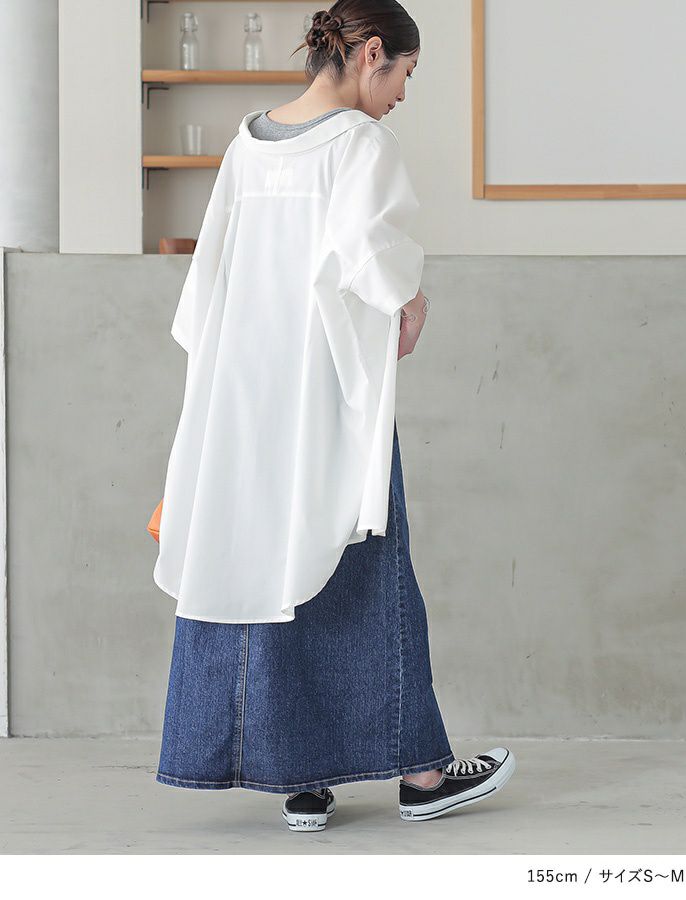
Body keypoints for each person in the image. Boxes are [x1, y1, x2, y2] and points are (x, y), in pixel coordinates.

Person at [153, 0, 515, 832]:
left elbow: (208, 283)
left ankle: (302, 780)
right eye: (406, 75)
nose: (403, 95)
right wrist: (412, 305)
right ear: (372, 53)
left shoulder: (247, 144)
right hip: (325, 393)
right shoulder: (359, 145)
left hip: (241, 396)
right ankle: (423, 776)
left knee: (261, 561)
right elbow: (374, 260)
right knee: (362, 562)